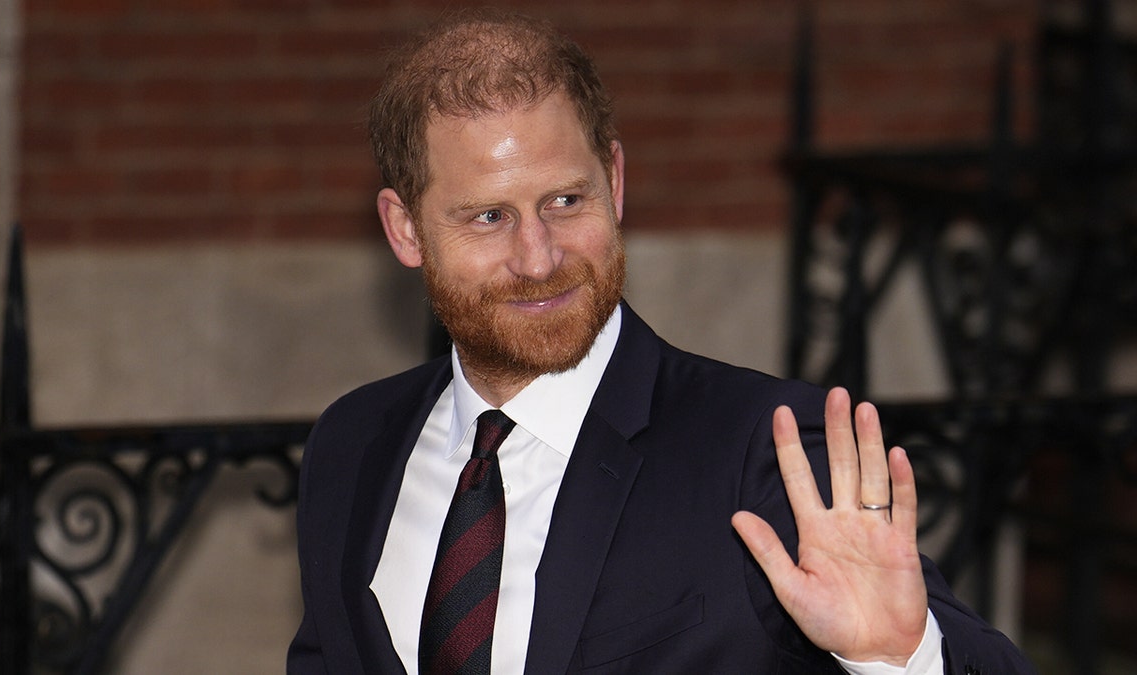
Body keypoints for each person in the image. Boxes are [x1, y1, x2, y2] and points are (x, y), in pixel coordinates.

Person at [288, 8, 1034, 674]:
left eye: (565, 200)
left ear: (614, 182)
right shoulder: (352, 445)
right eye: (489, 217)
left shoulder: (762, 451)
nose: (539, 258)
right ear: (405, 229)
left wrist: (898, 657)